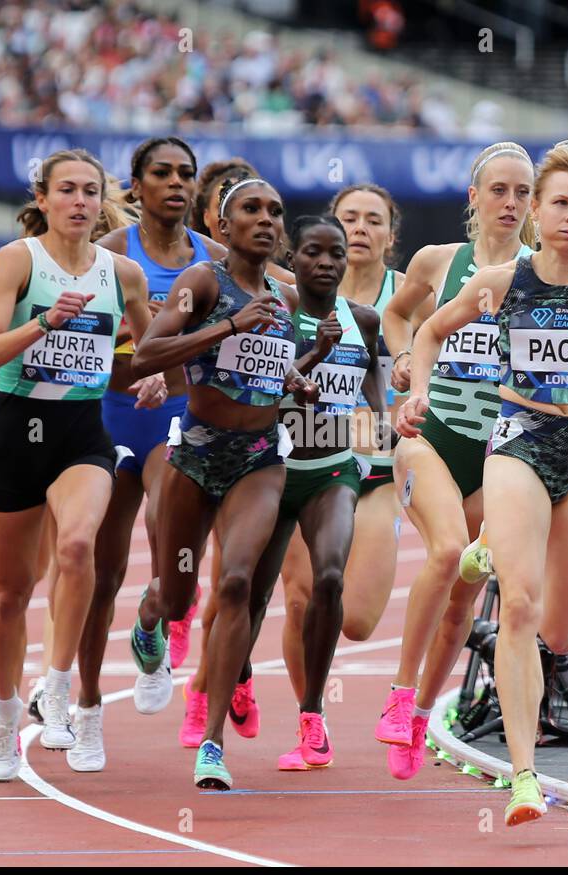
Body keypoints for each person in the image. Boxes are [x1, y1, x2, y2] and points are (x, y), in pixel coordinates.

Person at [398, 139, 568, 825]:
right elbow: (428, 332)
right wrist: (417, 392)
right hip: (520, 438)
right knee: (518, 608)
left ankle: (490, 544)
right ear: (538, 210)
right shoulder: (501, 281)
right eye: (559, 202)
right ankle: (526, 777)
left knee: (561, 623)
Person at [128, 177, 323, 790]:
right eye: (251, 210)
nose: (266, 220)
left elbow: (268, 368)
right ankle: (151, 616)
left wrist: (299, 375)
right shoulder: (203, 282)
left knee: (236, 583)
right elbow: (146, 354)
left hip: (259, 459)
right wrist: (226, 328)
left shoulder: (285, 300)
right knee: (181, 596)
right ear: (222, 223)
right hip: (196, 454)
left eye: (275, 212)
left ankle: (211, 744)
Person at [0, 148, 149, 781]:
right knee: (11, 592)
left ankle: (58, 685)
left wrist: (152, 379)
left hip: (81, 435)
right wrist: (42, 323)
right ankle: (2, 722)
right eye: (65, 190)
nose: (78, 201)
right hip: (17, 430)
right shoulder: (18, 261)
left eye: (90, 191)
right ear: (41, 199)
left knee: (77, 548)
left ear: (102, 202)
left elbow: (144, 352)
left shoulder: (122, 274)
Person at [59, 137, 230, 771]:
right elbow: (75, 339)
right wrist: (132, 355)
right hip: (110, 417)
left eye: (186, 174)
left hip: (179, 419)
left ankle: (155, 619)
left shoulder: (213, 260)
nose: (177, 183)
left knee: (172, 546)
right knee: (99, 574)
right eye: (162, 173)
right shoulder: (108, 254)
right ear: (136, 184)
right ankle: (88, 708)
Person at [377, 142, 537, 780]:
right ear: (474, 197)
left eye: (523, 193)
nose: (511, 203)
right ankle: (395, 696)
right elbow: (397, 314)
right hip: (431, 433)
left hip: (498, 450)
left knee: (462, 598)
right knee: (446, 553)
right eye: (499, 190)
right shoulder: (438, 262)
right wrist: (403, 365)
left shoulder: (544, 274)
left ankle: (419, 716)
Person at [241, 215, 385, 770]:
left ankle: (311, 714)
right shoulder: (273, 316)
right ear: (292, 258)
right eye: (312, 253)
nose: (325, 263)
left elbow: (371, 371)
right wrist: (314, 355)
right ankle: (239, 674)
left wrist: (381, 415)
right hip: (271, 470)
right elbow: (263, 386)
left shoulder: (363, 319)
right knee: (251, 593)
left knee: (328, 576)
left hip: (333, 471)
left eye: (335, 254)